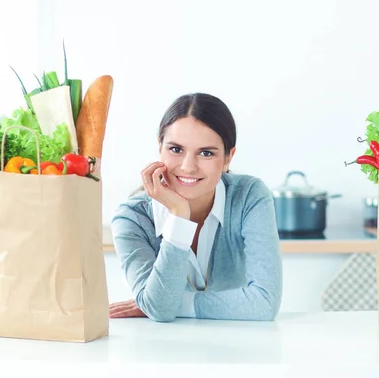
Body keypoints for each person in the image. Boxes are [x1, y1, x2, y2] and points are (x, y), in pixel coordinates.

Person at [109, 92, 283, 322]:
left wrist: (173, 303)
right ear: (159, 147)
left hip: (240, 346)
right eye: (176, 149)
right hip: (162, 349)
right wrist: (180, 217)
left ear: (228, 158)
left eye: (206, 153)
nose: (188, 167)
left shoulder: (249, 195)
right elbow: (160, 310)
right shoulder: (131, 218)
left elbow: (265, 303)